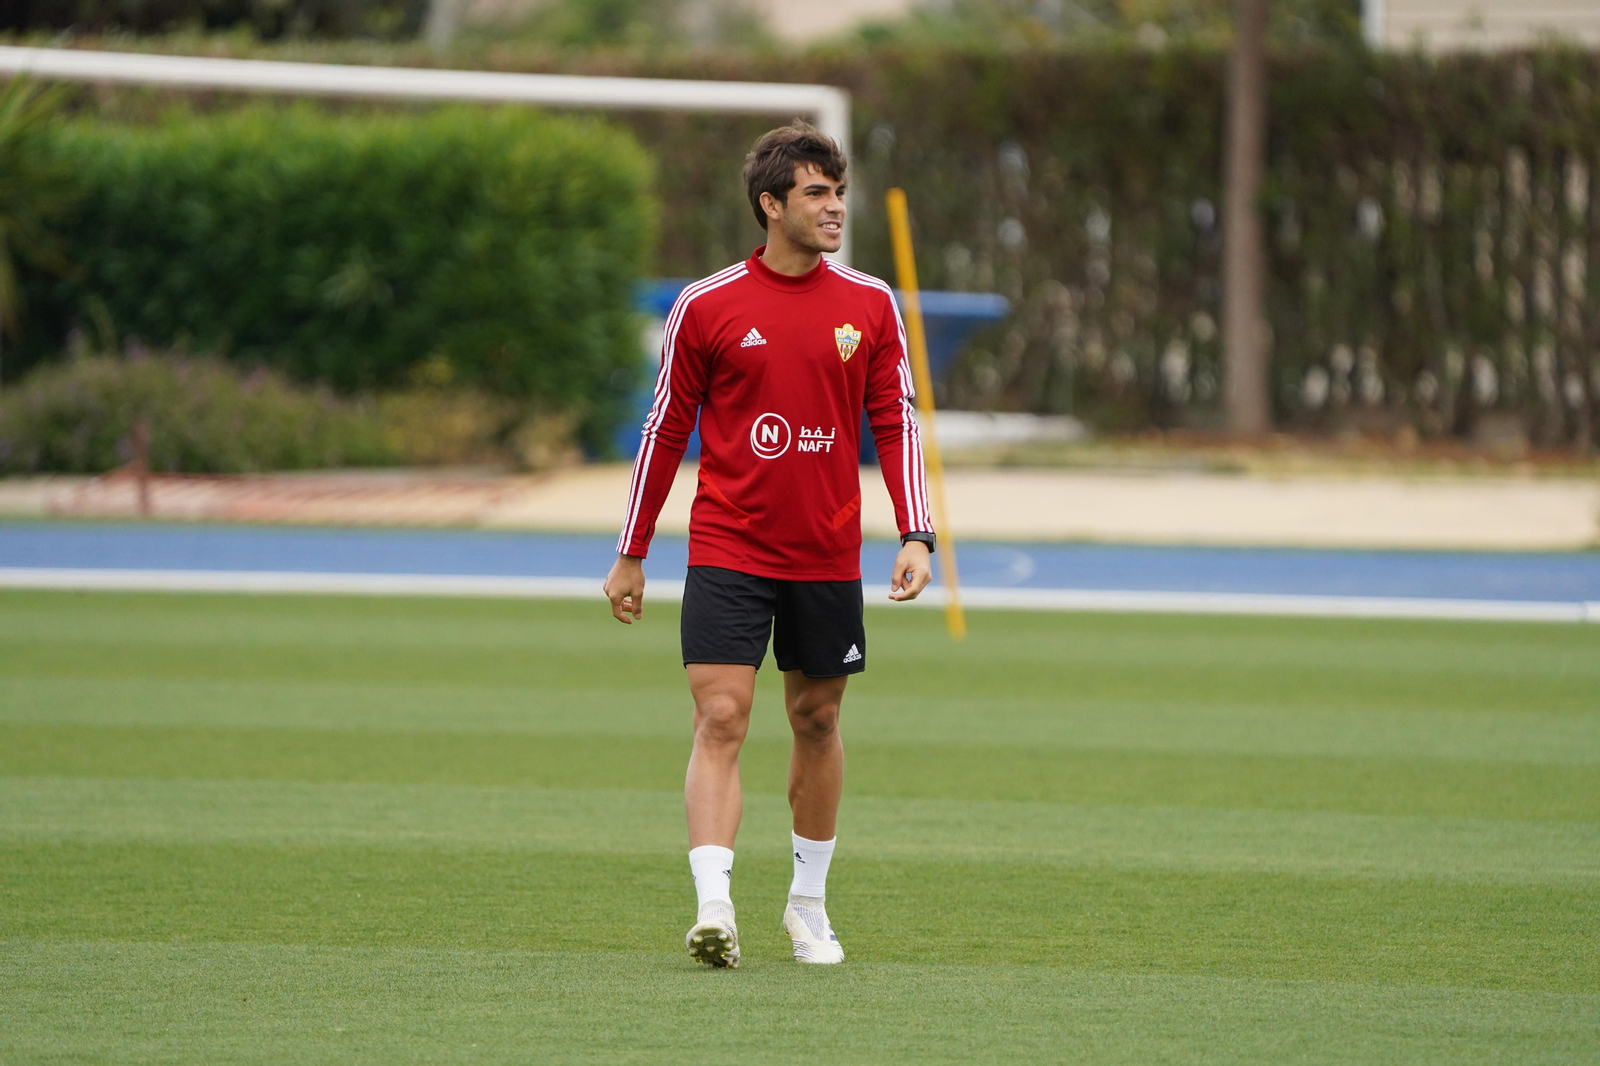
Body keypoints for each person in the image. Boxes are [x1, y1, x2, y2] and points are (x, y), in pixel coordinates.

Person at [604, 119, 935, 969]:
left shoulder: (869, 304)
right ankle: (715, 907)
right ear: (770, 203)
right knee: (721, 715)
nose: (834, 208)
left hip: (825, 553)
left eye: (838, 192)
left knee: (817, 718)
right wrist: (632, 550)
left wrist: (915, 531)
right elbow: (664, 426)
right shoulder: (707, 305)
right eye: (816, 193)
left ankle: (807, 908)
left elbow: (895, 421)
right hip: (727, 546)